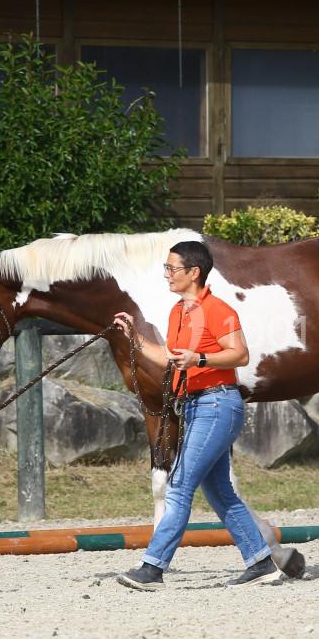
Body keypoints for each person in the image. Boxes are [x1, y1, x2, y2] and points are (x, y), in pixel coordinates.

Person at [114, 240, 282, 590]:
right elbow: (169, 357)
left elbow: (240, 354)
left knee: (178, 485)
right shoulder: (178, 312)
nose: (166, 274)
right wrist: (134, 339)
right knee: (220, 491)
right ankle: (261, 562)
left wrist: (200, 359)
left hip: (217, 405)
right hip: (195, 406)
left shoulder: (218, 310)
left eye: (171, 268)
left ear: (193, 272)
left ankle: (153, 568)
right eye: (166, 268)